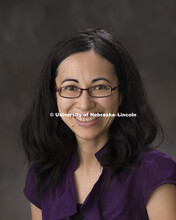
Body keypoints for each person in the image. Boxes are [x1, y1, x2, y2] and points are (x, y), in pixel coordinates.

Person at [21, 28, 176, 220]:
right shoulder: (42, 175)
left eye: (100, 87)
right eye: (71, 87)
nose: (85, 104)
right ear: (54, 96)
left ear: (121, 95)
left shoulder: (155, 173)